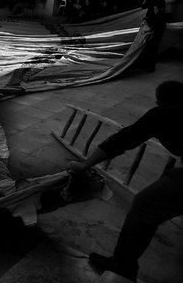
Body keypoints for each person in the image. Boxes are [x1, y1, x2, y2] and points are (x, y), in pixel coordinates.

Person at [67, 80, 183, 283]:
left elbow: (123, 139)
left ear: (158, 102)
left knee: (146, 205)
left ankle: (122, 269)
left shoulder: (164, 114)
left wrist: (85, 165)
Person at [135, 0, 166, 72]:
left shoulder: (159, 1)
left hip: (157, 26)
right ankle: (145, 64)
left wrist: (151, 28)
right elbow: (143, 6)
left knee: (153, 47)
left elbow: (157, 15)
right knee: (148, 46)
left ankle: (150, 66)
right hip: (152, 24)